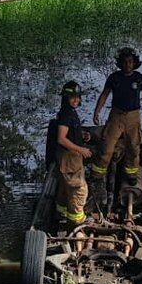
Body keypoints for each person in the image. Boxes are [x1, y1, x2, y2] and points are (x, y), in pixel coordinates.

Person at [90, 47, 142, 184]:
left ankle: (131, 174)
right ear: (120, 63)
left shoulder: (139, 78)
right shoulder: (114, 78)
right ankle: (97, 174)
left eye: (130, 62)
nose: (128, 65)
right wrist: (96, 112)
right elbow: (104, 94)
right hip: (116, 115)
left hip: (133, 116)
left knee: (133, 146)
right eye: (125, 62)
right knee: (106, 145)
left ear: (134, 63)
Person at [54, 80, 92, 227]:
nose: (76, 100)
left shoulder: (69, 112)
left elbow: (69, 133)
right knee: (79, 189)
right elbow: (61, 139)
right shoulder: (66, 115)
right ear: (66, 98)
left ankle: (61, 212)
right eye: (73, 97)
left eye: (78, 97)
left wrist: (81, 136)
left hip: (68, 157)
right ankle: (76, 220)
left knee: (64, 188)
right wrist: (81, 149)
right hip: (70, 158)